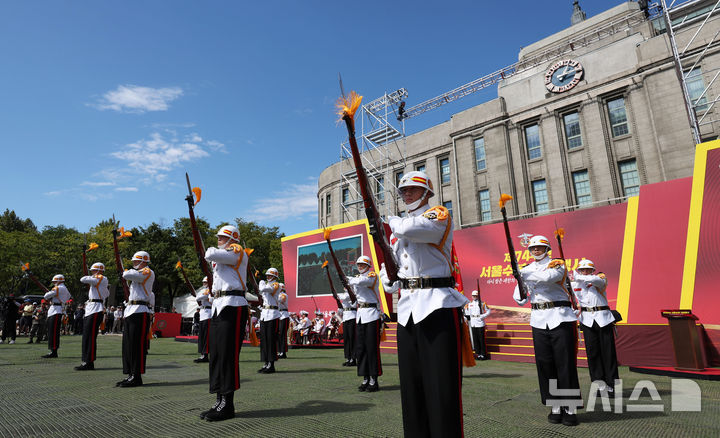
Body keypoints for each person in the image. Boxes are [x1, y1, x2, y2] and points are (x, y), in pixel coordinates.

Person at [380, 170, 469, 437]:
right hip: (407, 311)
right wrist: (389, 277)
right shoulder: (399, 230)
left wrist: (385, 221)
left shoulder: (437, 214)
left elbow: (410, 229)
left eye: (413, 189)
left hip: (437, 307)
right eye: (403, 190)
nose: (406, 193)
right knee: (412, 389)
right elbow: (396, 270)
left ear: (427, 193)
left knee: (442, 388)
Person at [513, 235, 581, 426]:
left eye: (540, 248)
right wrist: (519, 284)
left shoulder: (557, 264)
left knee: (565, 363)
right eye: (533, 248)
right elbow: (520, 298)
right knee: (545, 364)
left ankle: (570, 407)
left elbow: (549, 278)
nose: (536, 250)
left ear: (547, 249)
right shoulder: (526, 270)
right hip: (538, 320)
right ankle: (555, 405)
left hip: (560, 317)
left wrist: (520, 274)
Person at [199, 224, 250, 422]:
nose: (218, 240)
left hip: (233, 305)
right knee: (217, 356)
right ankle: (219, 400)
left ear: (231, 238)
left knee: (228, 356)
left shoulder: (237, 251)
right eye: (218, 238)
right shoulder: (223, 254)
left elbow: (210, 253)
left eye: (221, 237)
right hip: (219, 305)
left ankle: (228, 404)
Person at [572, 259, 618, 393]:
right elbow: (573, 299)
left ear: (593, 270)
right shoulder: (575, 283)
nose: (585, 272)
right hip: (586, 320)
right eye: (582, 270)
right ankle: (599, 385)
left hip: (603, 319)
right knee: (593, 354)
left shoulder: (600, 279)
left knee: (608, 353)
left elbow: (597, 281)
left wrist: (577, 275)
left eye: (588, 270)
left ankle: (613, 386)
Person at [116, 251, 154, 388]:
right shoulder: (137, 275)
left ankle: (136, 376)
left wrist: (123, 270)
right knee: (128, 346)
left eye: (135, 261)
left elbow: (127, 274)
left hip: (140, 311)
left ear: (144, 261)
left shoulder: (147, 272)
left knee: (137, 346)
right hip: (131, 311)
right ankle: (130, 374)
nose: (133, 263)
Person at [348, 255, 383, 392]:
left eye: (363, 264)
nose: (360, 266)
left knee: (372, 348)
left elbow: (364, 282)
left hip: (372, 315)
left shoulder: (372, 275)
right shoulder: (357, 278)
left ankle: (374, 379)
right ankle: (365, 377)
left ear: (368, 265)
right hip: (361, 315)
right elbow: (356, 296)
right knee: (361, 349)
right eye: (358, 264)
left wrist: (350, 280)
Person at [76, 262, 109, 371]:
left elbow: (83, 279)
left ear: (98, 271)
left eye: (93, 270)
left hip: (96, 309)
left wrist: (90, 276)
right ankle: (86, 360)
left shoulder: (101, 278)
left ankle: (89, 361)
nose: (91, 272)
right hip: (91, 308)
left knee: (90, 337)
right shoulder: (97, 282)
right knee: (86, 336)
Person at [257, 268, 282, 373]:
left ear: (275, 276)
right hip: (264, 314)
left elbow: (266, 289)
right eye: (267, 275)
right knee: (264, 340)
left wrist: (261, 281)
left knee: (271, 340)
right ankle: (265, 363)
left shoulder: (277, 285)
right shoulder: (266, 284)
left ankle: (271, 364)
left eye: (269, 275)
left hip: (273, 314)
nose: (267, 277)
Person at [42, 274, 72, 358]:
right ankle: (53, 350)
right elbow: (68, 297)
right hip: (57, 309)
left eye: (55, 281)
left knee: (53, 332)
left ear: (59, 281)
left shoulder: (58, 288)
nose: (54, 283)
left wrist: (50, 294)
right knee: (53, 331)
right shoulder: (64, 288)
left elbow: (46, 296)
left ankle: (53, 351)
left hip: (56, 310)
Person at [466, 290, 491, 360]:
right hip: (473, 322)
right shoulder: (469, 304)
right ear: (471, 296)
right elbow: (467, 312)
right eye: (473, 296)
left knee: (481, 339)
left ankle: (483, 354)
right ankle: (478, 354)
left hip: (480, 322)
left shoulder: (482, 303)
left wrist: (483, 316)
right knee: (475, 339)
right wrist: (466, 318)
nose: (475, 297)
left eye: (476, 296)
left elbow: (489, 311)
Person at [338, 288, 357, 366]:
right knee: (346, 339)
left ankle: (353, 358)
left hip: (352, 316)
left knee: (352, 339)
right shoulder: (344, 295)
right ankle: (348, 358)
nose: (344, 287)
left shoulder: (351, 294)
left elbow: (344, 297)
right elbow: (340, 310)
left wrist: (336, 295)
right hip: (345, 317)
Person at [194, 277, 212, 363]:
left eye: (205, 282)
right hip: (203, 313)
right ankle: (202, 354)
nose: (204, 283)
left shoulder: (209, 290)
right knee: (202, 336)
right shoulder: (204, 290)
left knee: (206, 336)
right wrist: (199, 297)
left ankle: (205, 355)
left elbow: (199, 297)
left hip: (208, 313)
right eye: (203, 282)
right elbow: (198, 297)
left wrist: (199, 296)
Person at [276, 286, 289, 359]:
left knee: (283, 334)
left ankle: (283, 352)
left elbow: (281, 300)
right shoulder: (278, 295)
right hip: (279, 314)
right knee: (279, 334)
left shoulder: (283, 295)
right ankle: (279, 351)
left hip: (284, 315)